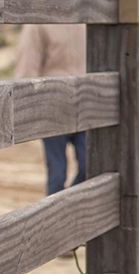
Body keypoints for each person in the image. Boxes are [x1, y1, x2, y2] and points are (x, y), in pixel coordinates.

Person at [14, 21, 89, 196]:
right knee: (57, 172)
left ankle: (68, 207)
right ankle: (56, 219)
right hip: (52, 109)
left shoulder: (83, 20)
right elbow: (27, 69)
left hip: (85, 106)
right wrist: (27, 110)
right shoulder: (36, 25)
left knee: (90, 164)